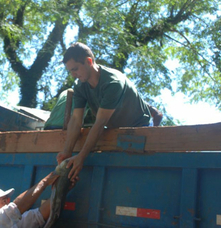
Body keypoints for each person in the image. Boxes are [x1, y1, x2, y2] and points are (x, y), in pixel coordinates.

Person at [56, 42, 161, 181]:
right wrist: (67, 152)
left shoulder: (113, 83)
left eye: (75, 69)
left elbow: (100, 123)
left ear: (89, 61)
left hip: (139, 130)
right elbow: (76, 120)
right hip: (114, 132)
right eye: (70, 71)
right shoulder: (80, 86)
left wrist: (81, 157)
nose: (73, 75)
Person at [0, 172, 77, 228]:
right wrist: (45, 181)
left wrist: (61, 190)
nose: (7, 203)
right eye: (3, 200)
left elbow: (39, 215)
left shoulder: (13, 223)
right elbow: (15, 209)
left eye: (7, 199)